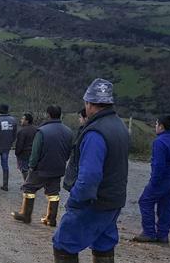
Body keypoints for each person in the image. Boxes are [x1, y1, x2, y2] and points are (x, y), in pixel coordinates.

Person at [52, 78, 130, 263]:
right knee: (104, 244)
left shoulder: (95, 133)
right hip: (113, 200)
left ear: (89, 103)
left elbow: (90, 177)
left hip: (93, 202)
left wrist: (76, 201)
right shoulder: (120, 126)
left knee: (64, 244)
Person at [12, 106, 73, 226]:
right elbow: (68, 151)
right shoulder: (68, 131)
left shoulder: (42, 131)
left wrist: (32, 165)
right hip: (58, 168)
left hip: (41, 168)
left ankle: (26, 215)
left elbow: (36, 151)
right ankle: (51, 219)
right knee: (53, 192)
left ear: (48, 115)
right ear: (60, 115)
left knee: (29, 188)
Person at [132, 114, 170, 243]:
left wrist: (154, 181)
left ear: (161, 126)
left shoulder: (159, 142)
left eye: (156, 124)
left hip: (162, 178)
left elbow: (158, 165)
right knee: (166, 205)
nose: (155, 126)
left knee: (145, 201)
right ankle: (163, 235)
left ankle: (149, 232)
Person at [15, 112, 38, 181]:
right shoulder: (37, 129)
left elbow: (19, 144)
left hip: (24, 154)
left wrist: (17, 153)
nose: (21, 120)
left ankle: (27, 184)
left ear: (27, 121)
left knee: (24, 170)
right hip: (34, 153)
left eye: (22, 119)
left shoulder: (22, 131)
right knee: (32, 170)